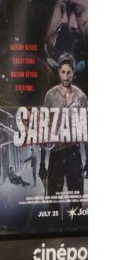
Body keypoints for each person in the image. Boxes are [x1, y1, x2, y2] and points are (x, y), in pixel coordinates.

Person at [42, 52, 87, 198]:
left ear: (73, 72)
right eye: (63, 72)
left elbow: (86, 130)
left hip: (74, 154)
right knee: (53, 200)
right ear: (58, 72)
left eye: (69, 72)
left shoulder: (81, 97)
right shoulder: (50, 96)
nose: (66, 76)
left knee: (77, 200)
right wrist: (42, 163)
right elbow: (44, 131)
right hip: (56, 154)